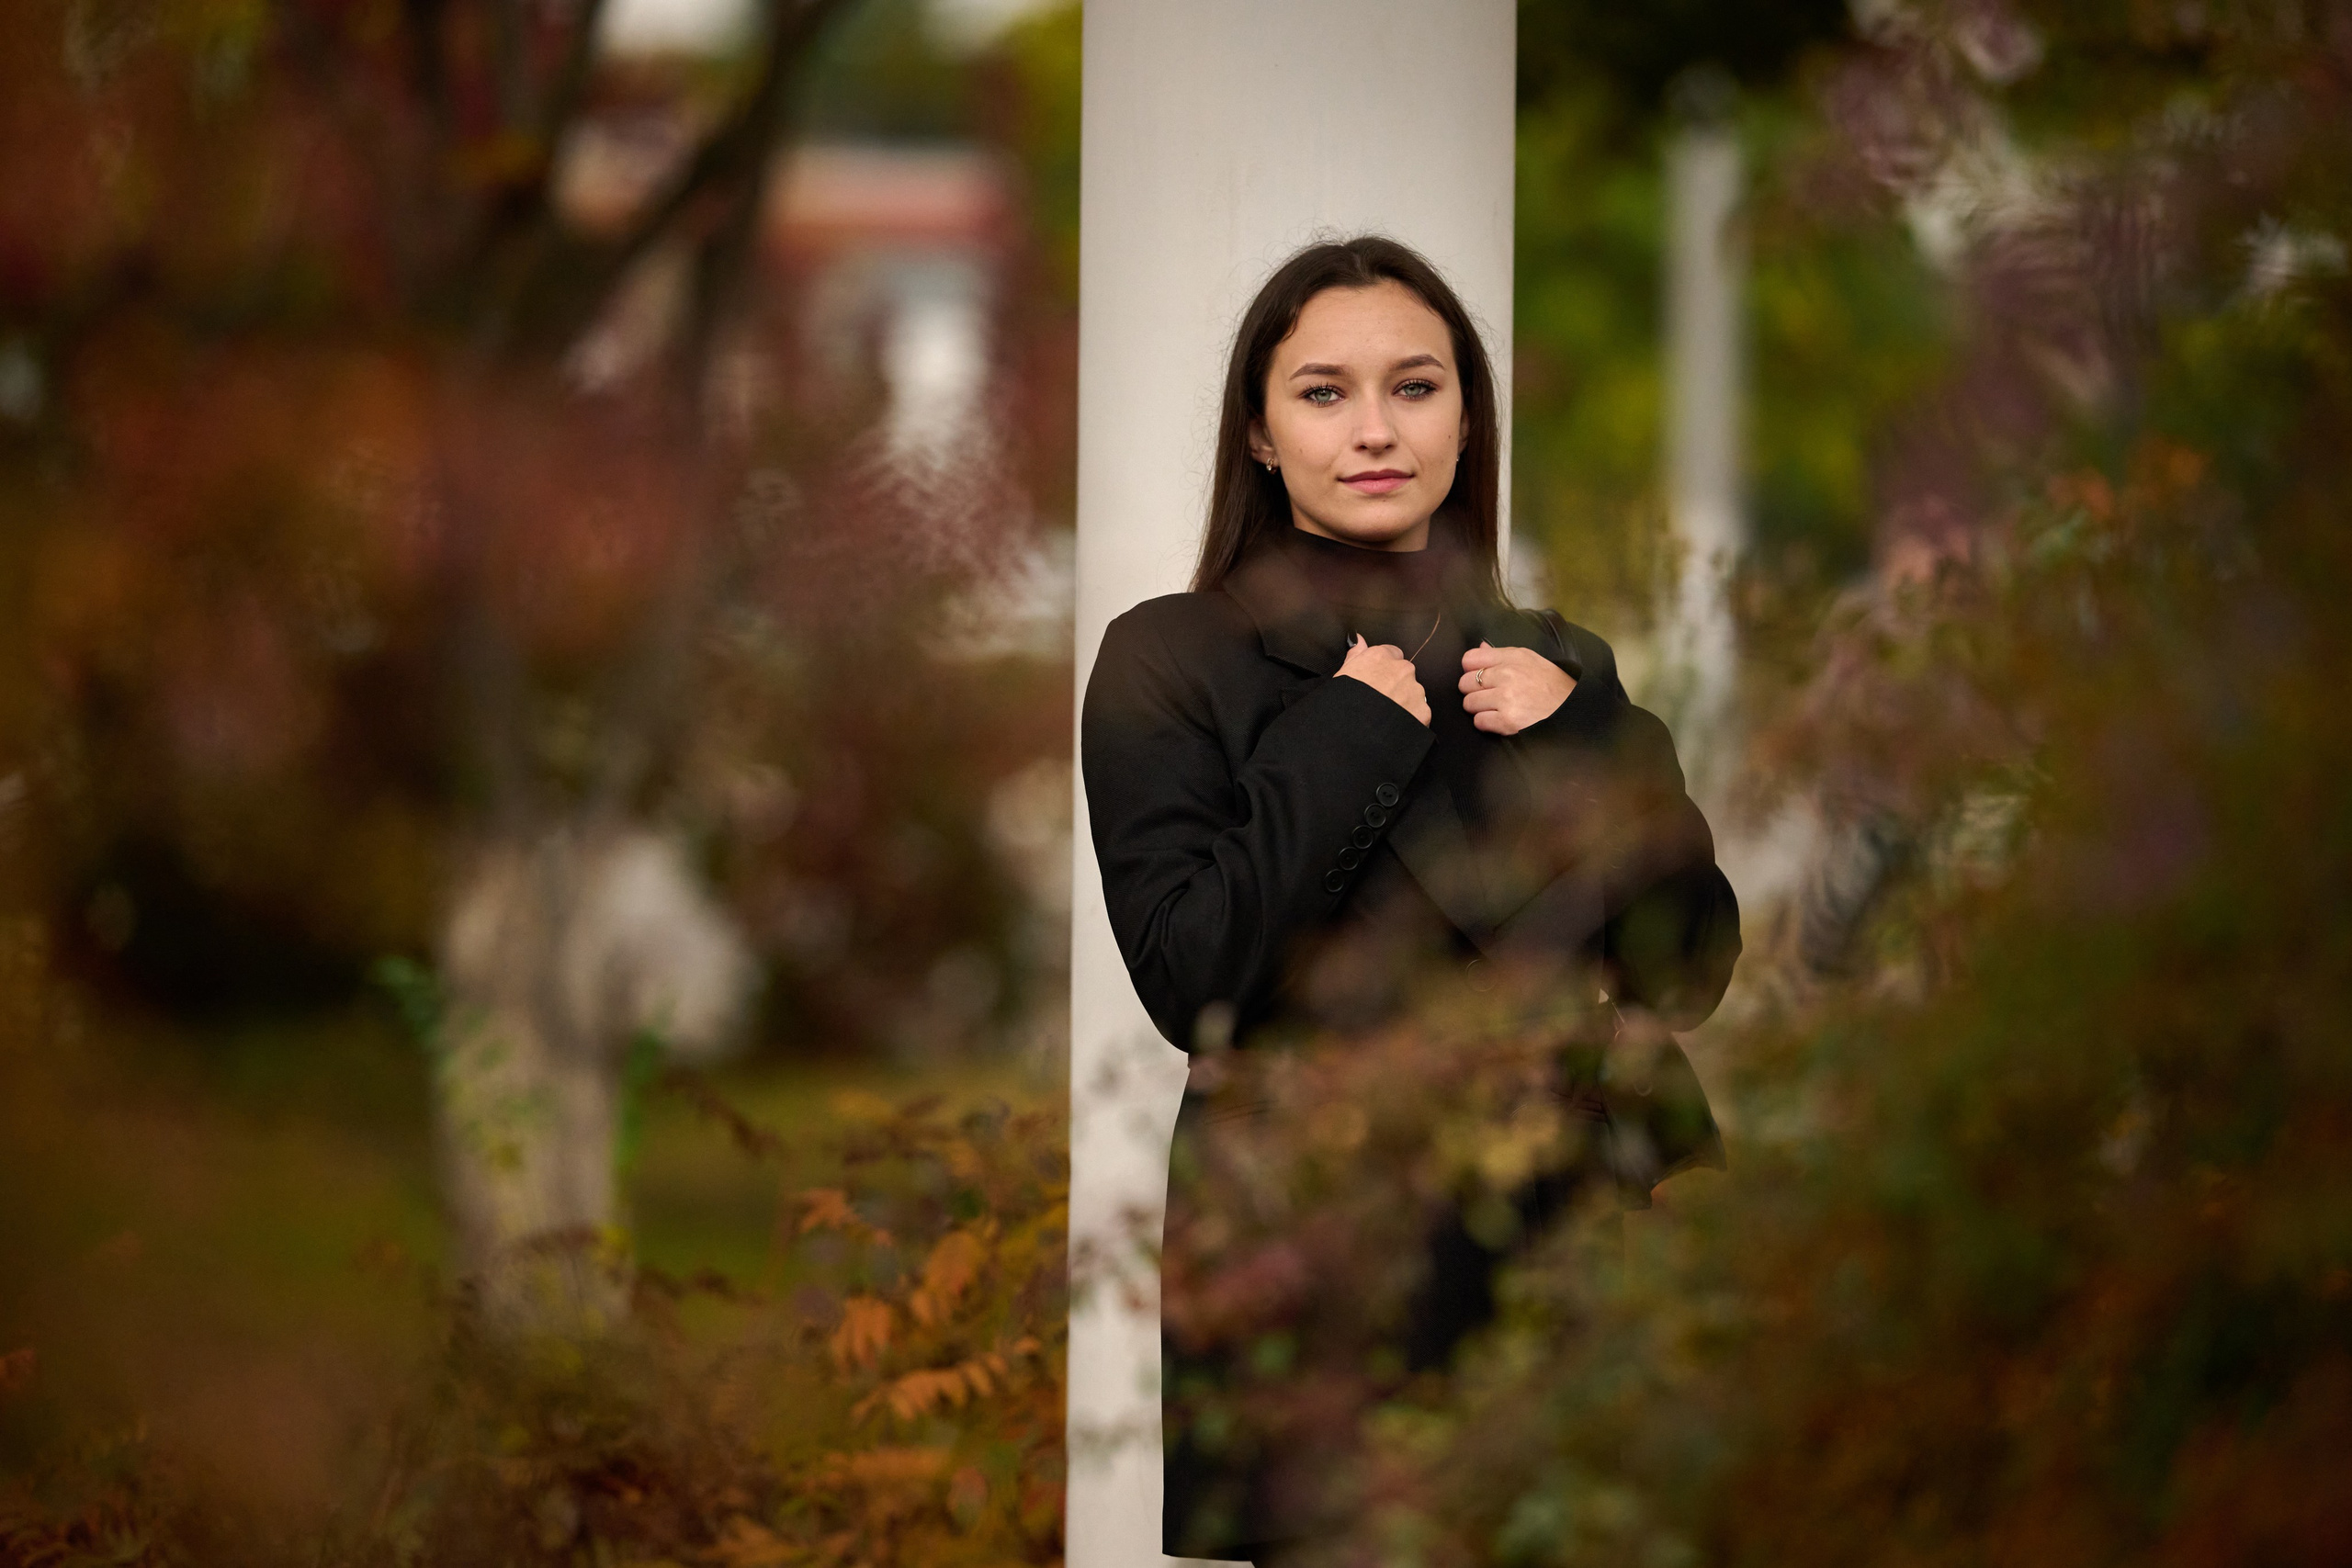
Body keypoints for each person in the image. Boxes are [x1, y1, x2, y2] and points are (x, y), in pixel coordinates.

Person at [1080, 235, 1741, 1564]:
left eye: (1417, 387)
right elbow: (1192, 978)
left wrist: (1584, 748)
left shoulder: (1559, 663)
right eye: (1324, 393)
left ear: (1467, 414)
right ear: (1260, 433)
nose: (1375, 429)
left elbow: (1685, 969)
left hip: (1557, 1237)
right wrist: (1344, 735)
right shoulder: (1170, 659)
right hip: (1316, 1255)